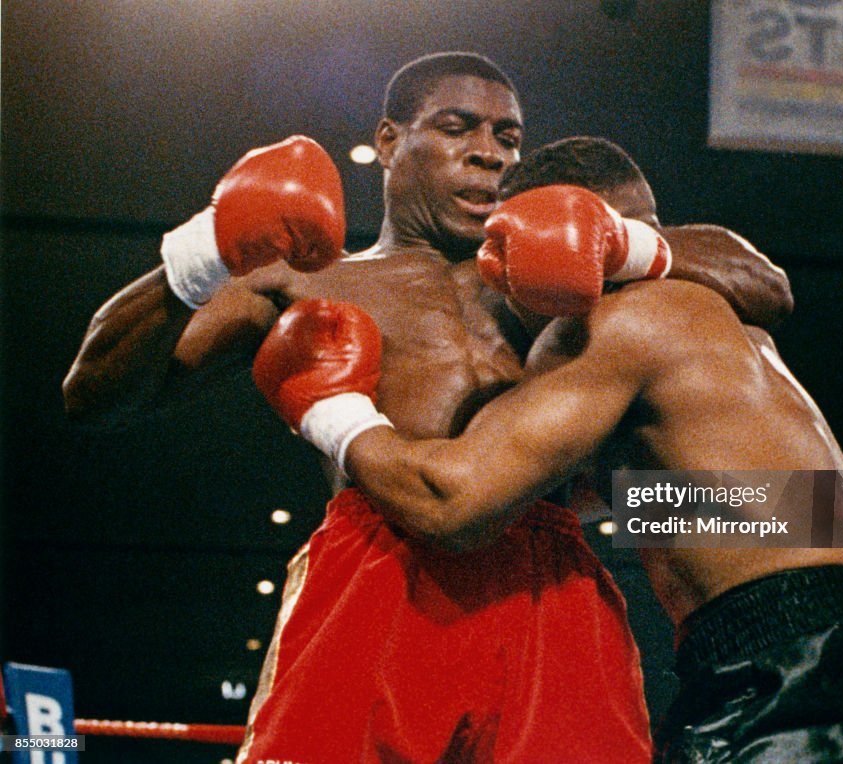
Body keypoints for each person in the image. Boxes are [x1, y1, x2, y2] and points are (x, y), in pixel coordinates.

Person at [61, 54, 792, 762]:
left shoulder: (549, 277)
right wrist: (208, 247)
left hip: (550, 580)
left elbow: (764, 285)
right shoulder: (307, 280)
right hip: (378, 567)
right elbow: (93, 396)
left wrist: (628, 243)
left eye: (507, 137)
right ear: (388, 141)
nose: (489, 155)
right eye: (456, 126)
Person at [256, 136, 843, 763]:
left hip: (793, 677)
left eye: (502, 256)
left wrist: (331, 410)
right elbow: (752, 512)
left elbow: (452, 505)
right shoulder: (722, 330)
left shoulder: (617, 323)